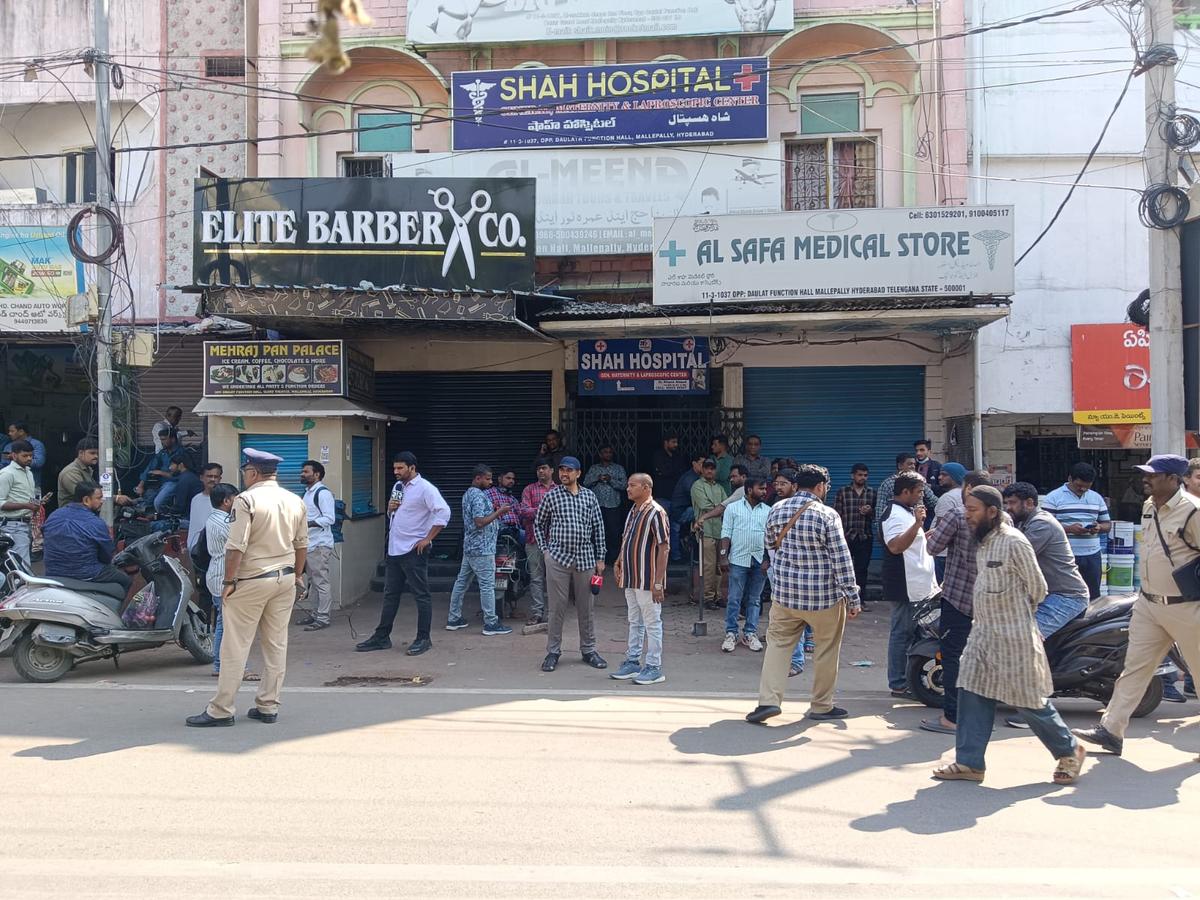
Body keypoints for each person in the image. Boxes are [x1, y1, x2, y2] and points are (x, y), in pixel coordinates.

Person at [932, 486, 1086, 785]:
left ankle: (1069, 751)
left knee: (1028, 699)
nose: (967, 515)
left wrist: (1013, 613)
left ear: (992, 511)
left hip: (1014, 636)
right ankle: (969, 763)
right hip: (982, 635)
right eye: (966, 508)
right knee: (971, 690)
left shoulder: (1015, 542)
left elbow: (1038, 589)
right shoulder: (984, 543)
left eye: (973, 509)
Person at [1073, 455, 1200, 759]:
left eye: (1153, 475)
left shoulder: (1192, 511)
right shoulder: (1148, 507)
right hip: (1149, 603)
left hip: (1187, 606)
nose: (1146, 478)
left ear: (1173, 479)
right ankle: (1111, 730)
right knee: (1134, 668)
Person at [187, 448, 308, 727]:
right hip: (285, 578)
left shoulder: (246, 500)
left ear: (253, 472)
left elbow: (235, 546)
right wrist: (298, 575)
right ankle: (268, 705)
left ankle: (221, 710)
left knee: (235, 646)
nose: (244, 476)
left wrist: (228, 582)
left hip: (252, 580)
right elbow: (302, 544)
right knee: (276, 644)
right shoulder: (294, 500)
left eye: (245, 471)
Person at [746, 464, 861, 725]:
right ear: (820, 487)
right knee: (826, 650)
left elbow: (770, 546)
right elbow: (842, 560)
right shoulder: (827, 515)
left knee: (777, 646)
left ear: (797, 485)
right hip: (824, 599)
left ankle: (768, 702)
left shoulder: (776, 509)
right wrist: (853, 597)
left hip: (785, 596)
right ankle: (821, 705)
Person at [357, 452, 451, 656]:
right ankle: (382, 636)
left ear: (412, 468)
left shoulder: (425, 488)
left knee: (421, 595)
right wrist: (391, 509)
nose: (396, 472)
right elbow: (396, 514)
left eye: (400, 468)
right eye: (394, 468)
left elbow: (443, 512)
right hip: (394, 549)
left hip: (414, 550)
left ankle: (423, 638)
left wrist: (427, 539)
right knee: (390, 594)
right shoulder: (398, 487)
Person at [922, 469, 991, 733]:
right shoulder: (1002, 518)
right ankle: (980, 717)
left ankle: (952, 716)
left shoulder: (957, 514)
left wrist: (936, 535)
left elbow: (933, 547)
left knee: (953, 656)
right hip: (991, 602)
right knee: (983, 658)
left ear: (969, 487)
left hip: (959, 598)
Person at [534, 455, 607, 672]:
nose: (564, 474)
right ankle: (553, 652)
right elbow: (539, 524)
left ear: (578, 473)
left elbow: (598, 527)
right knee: (556, 608)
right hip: (558, 558)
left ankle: (588, 650)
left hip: (585, 558)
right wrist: (545, 551)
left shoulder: (589, 497)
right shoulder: (552, 496)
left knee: (587, 608)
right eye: (562, 470)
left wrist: (601, 558)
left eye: (569, 470)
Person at [1003, 482, 1090, 638]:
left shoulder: (1041, 524)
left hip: (1066, 596)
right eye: (1006, 503)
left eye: (1012, 503)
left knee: (1024, 638)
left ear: (1029, 503)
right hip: (1044, 595)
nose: (1008, 508)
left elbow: (1013, 557)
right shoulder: (1024, 522)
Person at [882, 471, 939, 699]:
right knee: (901, 634)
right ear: (905, 492)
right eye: (918, 492)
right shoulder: (893, 514)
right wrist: (917, 525)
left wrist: (923, 533)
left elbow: (910, 541)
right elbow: (895, 546)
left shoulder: (905, 513)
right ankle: (898, 683)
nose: (921, 496)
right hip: (906, 587)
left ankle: (910, 681)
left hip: (919, 585)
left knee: (914, 634)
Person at [611, 473, 670, 686]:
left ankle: (654, 666)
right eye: (628, 485)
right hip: (631, 576)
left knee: (652, 622)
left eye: (632, 485)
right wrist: (618, 561)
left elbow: (664, 548)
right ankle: (633, 661)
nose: (628, 489)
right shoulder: (633, 511)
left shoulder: (656, 512)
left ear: (646, 488)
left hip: (647, 578)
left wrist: (657, 582)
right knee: (634, 621)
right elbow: (627, 540)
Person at [446, 464, 514, 636]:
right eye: (488, 478)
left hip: (471, 547)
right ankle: (491, 623)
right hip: (482, 548)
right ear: (478, 478)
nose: (491, 482)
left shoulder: (468, 494)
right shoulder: (477, 496)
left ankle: (453, 619)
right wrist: (499, 512)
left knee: (462, 582)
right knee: (487, 585)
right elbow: (479, 522)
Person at [42, 480, 132, 595]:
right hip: (87, 573)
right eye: (99, 498)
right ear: (86, 500)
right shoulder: (96, 523)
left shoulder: (54, 515)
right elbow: (106, 555)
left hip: (53, 572)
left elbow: (46, 537)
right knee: (126, 581)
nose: (102, 501)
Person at [1041, 461, 1112, 600]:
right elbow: (1044, 527)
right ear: (1070, 479)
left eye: (1087, 487)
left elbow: (1107, 525)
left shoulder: (1096, 498)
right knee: (1065, 593)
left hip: (1092, 554)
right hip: (1065, 556)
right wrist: (1068, 529)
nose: (1083, 489)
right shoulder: (1053, 497)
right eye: (1079, 486)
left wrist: (1098, 528)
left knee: (1093, 595)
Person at [719, 477, 770, 653]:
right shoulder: (733, 508)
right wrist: (723, 556)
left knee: (755, 600)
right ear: (749, 490)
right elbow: (726, 533)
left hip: (759, 560)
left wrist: (768, 559)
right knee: (734, 598)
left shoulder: (768, 511)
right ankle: (731, 633)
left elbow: (771, 538)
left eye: (765, 489)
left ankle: (750, 633)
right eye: (761, 488)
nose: (765, 492)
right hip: (738, 560)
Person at [204, 483, 247, 680]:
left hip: (218, 575)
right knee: (229, 624)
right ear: (226, 501)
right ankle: (223, 665)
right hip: (223, 576)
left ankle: (221, 664)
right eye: (235, 498)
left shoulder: (217, 518)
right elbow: (241, 543)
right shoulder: (224, 522)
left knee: (225, 622)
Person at [296, 460, 338, 631]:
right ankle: (315, 614)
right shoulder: (308, 493)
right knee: (313, 581)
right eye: (302, 471)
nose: (302, 474)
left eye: (306, 472)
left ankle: (323, 617)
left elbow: (330, 518)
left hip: (319, 545)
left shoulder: (322, 493)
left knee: (321, 581)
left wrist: (307, 524)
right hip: (309, 544)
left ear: (317, 474)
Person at [832, 463, 876, 607]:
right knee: (842, 569)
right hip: (846, 537)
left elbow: (878, 515)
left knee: (862, 570)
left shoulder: (871, 492)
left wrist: (870, 512)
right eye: (859, 475)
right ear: (853, 475)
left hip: (865, 537)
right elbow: (836, 514)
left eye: (865, 475)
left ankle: (860, 600)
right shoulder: (843, 492)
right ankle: (843, 600)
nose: (862, 478)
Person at [519, 459, 555, 625]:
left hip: (556, 542)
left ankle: (553, 614)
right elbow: (524, 511)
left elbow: (565, 513)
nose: (541, 471)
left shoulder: (560, 490)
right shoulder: (529, 489)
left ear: (551, 470)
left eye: (544, 468)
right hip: (533, 540)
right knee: (536, 579)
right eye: (539, 469)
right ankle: (537, 613)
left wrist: (538, 510)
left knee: (555, 579)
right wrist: (546, 510)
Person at [57, 437, 133, 510]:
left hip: (83, 515)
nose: (96, 456)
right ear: (80, 453)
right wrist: (115, 499)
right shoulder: (71, 472)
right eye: (92, 453)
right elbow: (85, 495)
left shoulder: (88, 469)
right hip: (71, 517)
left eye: (97, 453)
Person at [691, 458, 727, 610]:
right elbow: (705, 505)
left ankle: (717, 596)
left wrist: (720, 508)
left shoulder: (719, 487)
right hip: (705, 530)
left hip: (719, 530)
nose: (710, 471)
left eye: (712, 468)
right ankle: (707, 598)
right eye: (707, 468)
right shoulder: (697, 486)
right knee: (708, 566)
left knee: (719, 566)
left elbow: (727, 505)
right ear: (702, 469)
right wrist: (720, 508)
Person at [583, 444, 628, 565]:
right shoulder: (594, 468)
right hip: (596, 506)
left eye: (610, 452)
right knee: (595, 532)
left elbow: (624, 485)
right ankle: (596, 558)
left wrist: (610, 480)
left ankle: (613, 559)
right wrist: (597, 478)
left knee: (614, 532)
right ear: (600, 454)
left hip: (613, 505)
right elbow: (585, 483)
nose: (608, 454)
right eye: (605, 452)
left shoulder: (618, 469)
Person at [0, 440, 38, 567]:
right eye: (25, 456)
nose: (29, 458)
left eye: (31, 456)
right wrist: (26, 505)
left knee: (18, 564)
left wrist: (36, 504)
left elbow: (25, 497)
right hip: (12, 524)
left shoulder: (29, 472)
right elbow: (0, 502)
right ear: (14, 455)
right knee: (22, 566)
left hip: (25, 523)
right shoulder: (7, 474)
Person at [875, 452, 938, 527]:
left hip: (917, 526)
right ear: (900, 466)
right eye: (909, 464)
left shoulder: (919, 482)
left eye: (914, 464)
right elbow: (880, 510)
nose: (913, 467)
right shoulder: (888, 484)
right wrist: (881, 530)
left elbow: (934, 501)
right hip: (896, 526)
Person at [930, 462, 967, 581]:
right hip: (956, 552)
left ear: (955, 476)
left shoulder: (947, 498)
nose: (939, 477)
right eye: (940, 474)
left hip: (942, 554)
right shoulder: (966, 495)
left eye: (944, 475)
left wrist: (932, 550)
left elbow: (940, 528)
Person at [670, 452, 705, 558]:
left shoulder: (695, 477)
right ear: (694, 463)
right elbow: (695, 497)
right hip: (681, 511)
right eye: (702, 463)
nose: (705, 467)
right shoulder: (690, 478)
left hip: (683, 509)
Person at [136, 428, 177, 501]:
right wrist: (140, 485)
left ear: (173, 439)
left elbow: (177, 476)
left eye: (164, 439)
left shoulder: (181, 453)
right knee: (147, 495)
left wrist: (161, 472)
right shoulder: (163, 452)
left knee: (157, 502)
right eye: (161, 440)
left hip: (173, 483)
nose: (162, 442)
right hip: (160, 483)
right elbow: (151, 466)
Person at [4, 422, 46, 490]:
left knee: (33, 501)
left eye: (12, 431)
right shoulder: (8, 447)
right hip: (11, 486)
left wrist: (18, 459)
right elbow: (3, 464)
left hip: (32, 486)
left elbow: (39, 463)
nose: (9, 433)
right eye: (9, 431)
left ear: (21, 432)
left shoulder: (36, 444)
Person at [486, 469, 523, 541]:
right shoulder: (489, 493)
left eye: (513, 479)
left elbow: (521, 517)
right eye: (508, 478)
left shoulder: (513, 499)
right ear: (500, 479)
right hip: (499, 530)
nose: (511, 481)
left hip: (516, 530)